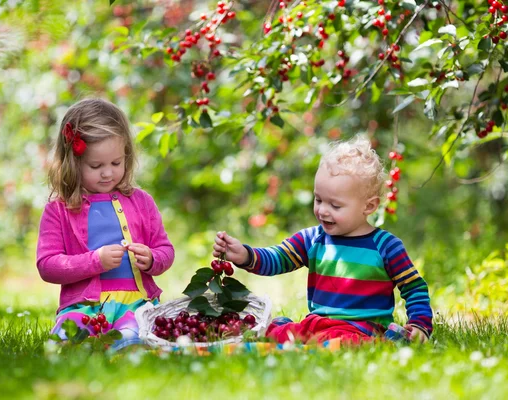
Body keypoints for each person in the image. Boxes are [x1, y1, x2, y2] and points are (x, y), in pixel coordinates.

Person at [213, 135, 432, 345]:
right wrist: (245, 255)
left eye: (335, 206)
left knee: (347, 342)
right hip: (318, 324)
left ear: (369, 206)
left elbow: (414, 288)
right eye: (318, 200)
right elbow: (278, 258)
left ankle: (390, 341)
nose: (323, 211)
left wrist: (420, 325)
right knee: (274, 332)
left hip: (362, 329)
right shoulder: (313, 239)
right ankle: (286, 329)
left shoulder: (386, 246)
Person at [37, 98, 174, 351]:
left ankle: (125, 348)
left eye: (116, 163)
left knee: (135, 338)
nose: (108, 173)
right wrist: (94, 261)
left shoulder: (142, 202)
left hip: (137, 303)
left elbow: (166, 250)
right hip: (83, 305)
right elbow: (47, 266)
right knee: (64, 342)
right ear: (73, 162)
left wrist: (153, 259)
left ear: (126, 156)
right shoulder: (59, 210)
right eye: (96, 166)